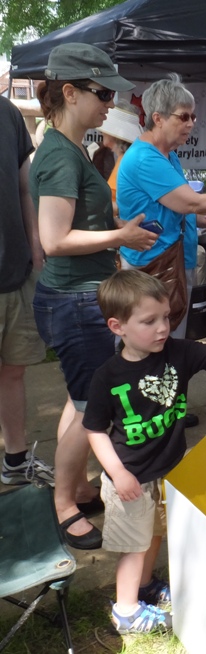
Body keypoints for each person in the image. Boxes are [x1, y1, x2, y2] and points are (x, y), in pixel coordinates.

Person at [30, 43, 159, 549]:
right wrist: (118, 238)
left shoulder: (68, 147)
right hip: (75, 303)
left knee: (78, 397)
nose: (111, 102)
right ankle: (65, 504)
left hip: (79, 298)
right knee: (90, 409)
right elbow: (53, 239)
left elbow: (71, 228)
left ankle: (76, 485)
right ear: (69, 91)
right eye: (102, 92)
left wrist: (115, 228)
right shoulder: (61, 154)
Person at [83, 270, 206, 634]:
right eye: (150, 321)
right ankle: (126, 612)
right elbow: (94, 430)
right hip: (130, 480)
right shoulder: (107, 377)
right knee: (134, 546)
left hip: (168, 472)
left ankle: (143, 588)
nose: (163, 328)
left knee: (155, 534)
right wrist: (119, 473)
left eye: (167, 318)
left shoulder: (178, 352)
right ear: (117, 326)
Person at [117, 75, 206, 341]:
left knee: (169, 345)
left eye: (193, 117)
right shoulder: (145, 158)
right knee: (154, 347)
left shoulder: (169, 155)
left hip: (171, 264)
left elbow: (182, 210)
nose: (191, 123)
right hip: (155, 270)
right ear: (158, 118)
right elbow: (191, 201)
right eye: (183, 116)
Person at [0, 96, 55, 487]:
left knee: (14, 371)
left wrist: (36, 249)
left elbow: (24, 188)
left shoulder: (8, 115)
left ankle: (15, 460)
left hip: (15, 272)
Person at [97, 100, 142, 210]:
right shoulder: (132, 156)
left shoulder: (128, 160)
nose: (105, 143)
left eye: (104, 134)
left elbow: (123, 204)